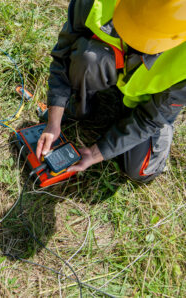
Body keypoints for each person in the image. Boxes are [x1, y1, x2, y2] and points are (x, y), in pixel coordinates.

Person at [36, 0, 186, 182]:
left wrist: (96, 153)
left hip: (148, 104)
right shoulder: (96, 2)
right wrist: (54, 122)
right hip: (109, 60)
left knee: (139, 170)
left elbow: (151, 119)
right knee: (87, 59)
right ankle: (78, 105)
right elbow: (62, 56)